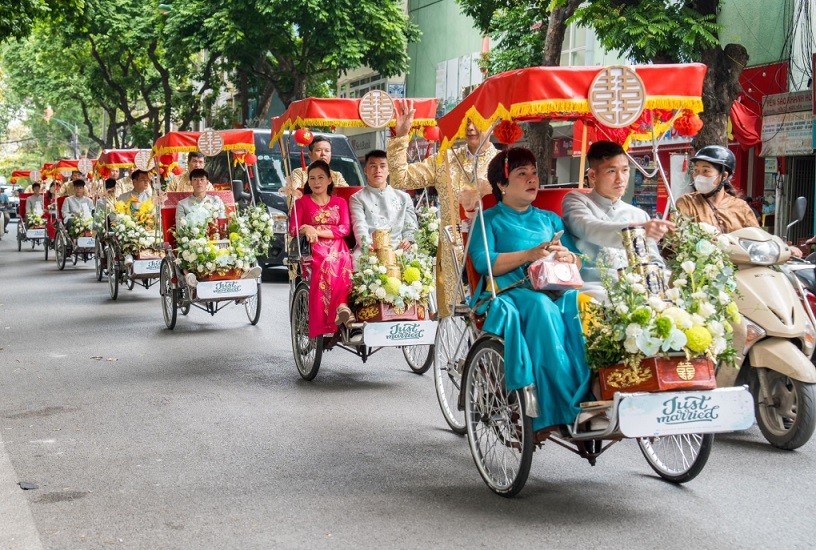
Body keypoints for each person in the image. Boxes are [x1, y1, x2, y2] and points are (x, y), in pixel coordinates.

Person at [469, 148, 592, 433]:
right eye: (521, 174)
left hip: (556, 288)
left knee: (581, 303)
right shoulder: (489, 219)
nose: (531, 179)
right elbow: (481, 261)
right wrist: (528, 255)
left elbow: (578, 259)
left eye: (534, 173)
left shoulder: (549, 219)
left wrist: (567, 257)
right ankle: (559, 407)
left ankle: (592, 393)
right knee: (542, 308)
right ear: (502, 184)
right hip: (510, 292)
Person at [387, 101, 497, 318]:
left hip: (494, 247)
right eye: (466, 121)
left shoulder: (504, 163)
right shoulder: (444, 159)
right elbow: (401, 179)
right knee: (456, 318)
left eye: (477, 121)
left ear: (492, 124)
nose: (471, 128)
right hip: (454, 252)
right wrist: (401, 137)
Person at [562, 140, 674, 297]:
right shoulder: (576, 200)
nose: (620, 179)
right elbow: (589, 227)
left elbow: (653, 260)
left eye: (625, 170)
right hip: (594, 285)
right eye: (611, 171)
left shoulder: (638, 215)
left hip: (636, 287)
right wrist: (636, 231)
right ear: (593, 175)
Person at [289, 160, 354, 338]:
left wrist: (316, 229)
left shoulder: (340, 202)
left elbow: (345, 229)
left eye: (320, 177)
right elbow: (293, 228)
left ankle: (343, 307)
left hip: (338, 245)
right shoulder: (301, 203)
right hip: (314, 248)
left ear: (329, 179)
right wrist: (305, 228)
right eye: (312, 178)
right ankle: (330, 318)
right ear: (307, 182)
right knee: (327, 262)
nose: (316, 182)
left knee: (345, 261)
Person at [676, 146, 760, 233]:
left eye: (705, 171)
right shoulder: (686, 203)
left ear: (724, 176)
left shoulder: (741, 207)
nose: (699, 176)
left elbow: (757, 239)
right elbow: (678, 238)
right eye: (696, 170)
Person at [349, 150, 418, 254]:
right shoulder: (357, 198)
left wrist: (408, 240)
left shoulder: (404, 197)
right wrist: (367, 245)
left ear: (388, 170)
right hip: (370, 247)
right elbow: (359, 224)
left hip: (399, 247)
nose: (378, 170)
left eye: (382, 166)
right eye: (373, 166)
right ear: (365, 170)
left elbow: (410, 225)